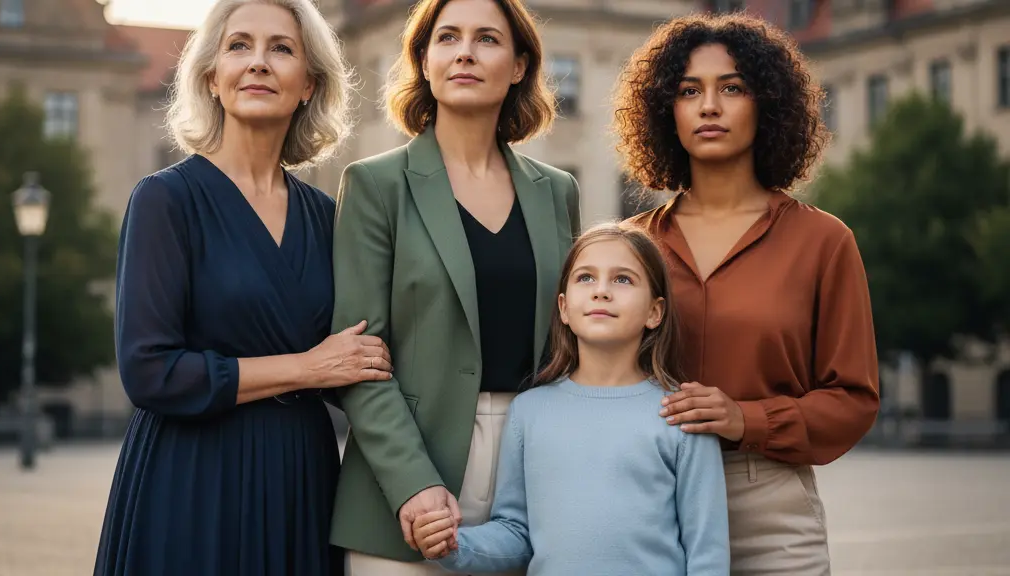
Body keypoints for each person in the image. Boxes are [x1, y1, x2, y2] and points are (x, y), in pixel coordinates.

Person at [92, 1, 390, 574]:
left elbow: (356, 359)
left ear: (308, 84)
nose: (258, 62)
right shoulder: (166, 200)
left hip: (300, 477)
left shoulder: (328, 217)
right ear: (212, 78)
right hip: (190, 479)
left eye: (281, 48)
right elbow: (149, 373)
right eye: (238, 46)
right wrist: (306, 368)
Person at [614, 12, 881, 575]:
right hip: (646, 500)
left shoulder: (823, 241)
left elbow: (853, 400)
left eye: (731, 88)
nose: (709, 106)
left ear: (767, 106)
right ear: (668, 111)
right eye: (690, 91)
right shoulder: (630, 246)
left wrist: (746, 419)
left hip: (770, 505)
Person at [328, 0, 580, 573]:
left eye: (487, 38)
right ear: (424, 60)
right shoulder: (374, 185)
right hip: (403, 483)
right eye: (447, 38)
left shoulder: (557, 191)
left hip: (531, 473)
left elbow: (570, 343)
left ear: (519, 66)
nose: (465, 51)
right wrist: (413, 484)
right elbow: (358, 358)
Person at [410, 223, 730, 576]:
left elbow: (707, 554)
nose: (601, 292)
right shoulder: (529, 412)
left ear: (655, 312)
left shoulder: (681, 415)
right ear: (563, 307)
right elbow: (516, 533)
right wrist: (453, 546)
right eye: (585, 278)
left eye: (623, 279)